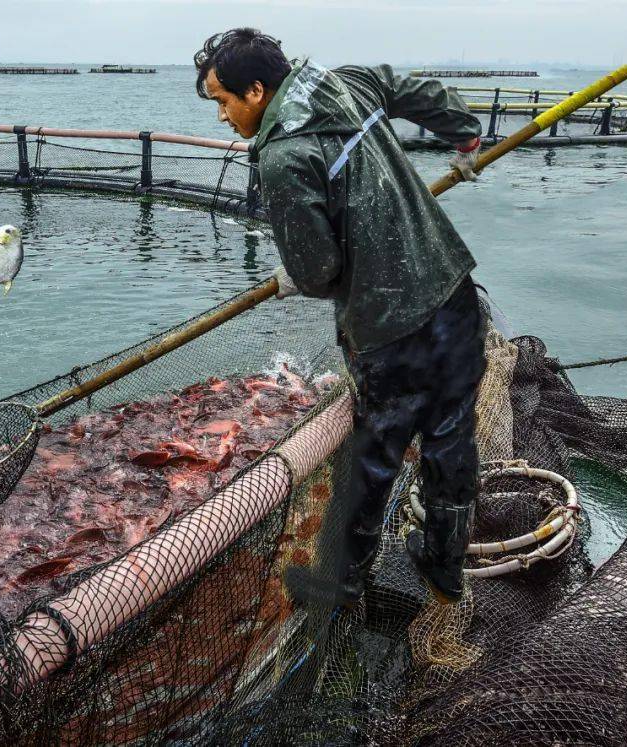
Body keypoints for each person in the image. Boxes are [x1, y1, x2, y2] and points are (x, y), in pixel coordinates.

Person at [193, 28, 486, 605]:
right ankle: (444, 567)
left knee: (373, 456)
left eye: (223, 102)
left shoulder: (283, 158)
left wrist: (292, 276)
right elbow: (411, 89)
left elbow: (320, 271)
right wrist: (465, 133)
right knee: (450, 434)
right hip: (452, 290)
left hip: (389, 329)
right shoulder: (341, 82)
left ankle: (343, 583)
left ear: (256, 91)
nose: (222, 117)